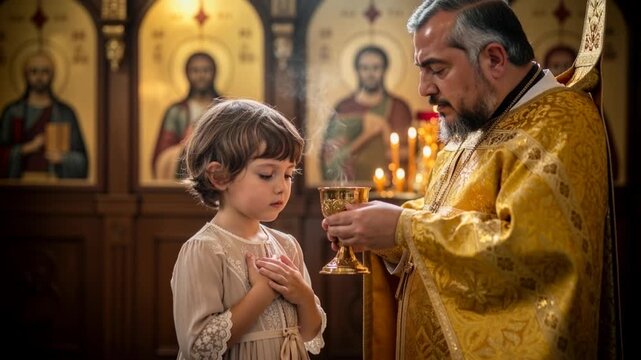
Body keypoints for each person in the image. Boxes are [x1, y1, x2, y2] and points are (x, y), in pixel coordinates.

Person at [322, 0, 618, 359]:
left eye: (437, 69)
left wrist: (404, 229)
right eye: (421, 69)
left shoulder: (560, 124)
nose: (423, 89)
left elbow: (533, 254)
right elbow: (443, 215)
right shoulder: (473, 126)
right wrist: (381, 232)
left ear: (494, 59)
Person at [171, 99, 326, 359]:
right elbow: (199, 347)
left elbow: (310, 334)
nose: (282, 187)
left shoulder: (287, 246)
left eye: (288, 174)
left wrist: (304, 296)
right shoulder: (204, 250)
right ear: (219, 176)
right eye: (267, 174)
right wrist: (263, 292)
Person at [321, 45, 412, 182]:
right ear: (357, 70)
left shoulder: (399, 107)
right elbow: (330, 159)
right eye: (364, 68)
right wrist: (368, 134)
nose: (370, 73)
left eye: (376, 68)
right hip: (351, 188)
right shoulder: (344, 108)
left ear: (384, 69)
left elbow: (412, 154)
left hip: (391, 189)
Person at [0, 51, 88, 179]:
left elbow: (82, 161)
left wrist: (63, 158)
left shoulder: (65, 113)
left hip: (55, 188)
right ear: (26, 75)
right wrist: (25, 149)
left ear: (52, 75)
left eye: (45, 72)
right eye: (34, 71)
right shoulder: (12, 111)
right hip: (17, 190)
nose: (39, 77)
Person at [152, 52, 221, 180]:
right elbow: (162, 155)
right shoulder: (176, 112)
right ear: (187, 74)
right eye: (195, 71)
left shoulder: (224, 109)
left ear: (214, 73)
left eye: (206, 70)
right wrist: (185, 146)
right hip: (183, 179)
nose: (201, 75)